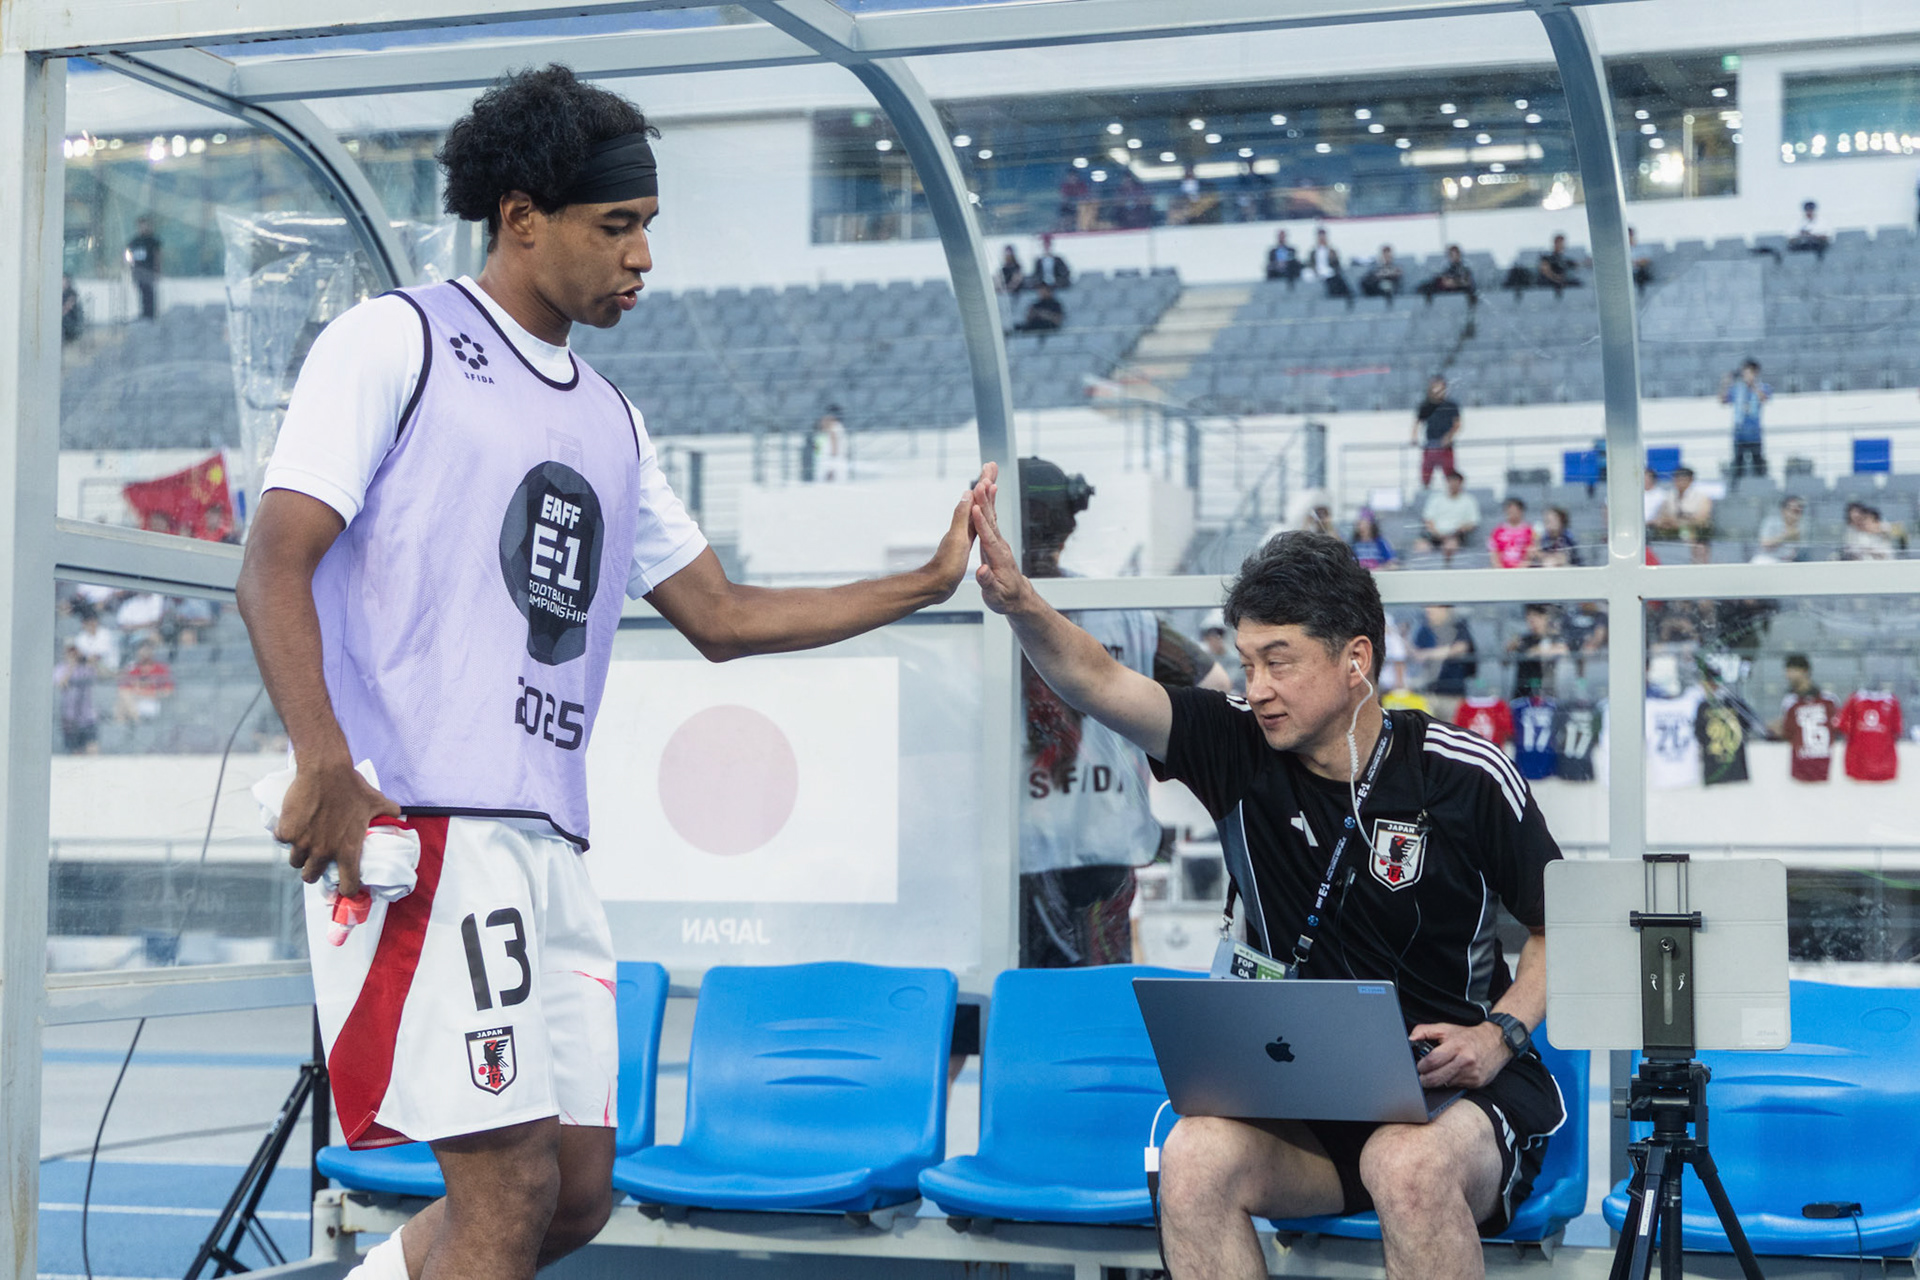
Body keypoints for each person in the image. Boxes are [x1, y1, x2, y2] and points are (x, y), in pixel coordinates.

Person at [233, 65, 991, 1280]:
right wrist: (326, 758)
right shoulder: (398, 339)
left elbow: (723, 613)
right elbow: (274, 557)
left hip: (548, 840)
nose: (642, 257)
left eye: (648, 228)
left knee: (576, 1190)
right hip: (423, 827)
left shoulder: (614, 417)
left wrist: (920, 581)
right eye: (616, 227)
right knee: (508, 1179)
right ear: (522, 217)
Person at [968, 524, 1563, 1280]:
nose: (1257, 687)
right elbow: (1097, 680)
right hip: (1314, 1101)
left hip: (1458, 1100)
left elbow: (1563, 926)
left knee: (1405, 1164)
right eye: (1247, 662)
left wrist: (1500, 1035)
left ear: (1356, 660)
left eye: (1279, 661)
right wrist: (1021, 604)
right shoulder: (1234, 745)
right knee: (1194, 1155)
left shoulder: (1463, 775)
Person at [1017, 457, 1223, 969]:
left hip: (1018, 845)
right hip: (1105, 840)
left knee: (1003, 1007)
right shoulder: (1121, 610)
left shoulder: (984, 611)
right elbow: (1212, 685)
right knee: (1092, 1011)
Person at [1774, 654, 1839, 782]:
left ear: (1803, 671)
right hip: (1801, 765)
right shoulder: (1789, 700)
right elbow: (1787, 729)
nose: (1787, 675)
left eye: (1791, 671)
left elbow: (1836, 726)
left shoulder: (1828, 699)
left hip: (1823, 762)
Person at [1412, 603, 1477, 718]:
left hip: (1452, 694)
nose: (1428, 611)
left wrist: (1431, 654)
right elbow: (1416, 653)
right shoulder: (1425, 629)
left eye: (1432, 608)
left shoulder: (1457, 626)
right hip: (1429, 692)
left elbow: (1461, 647)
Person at [1416, 470, 1480, 566]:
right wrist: (1437, 534)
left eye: (1456, 481)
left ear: (1461, 483)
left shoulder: (1469, 501)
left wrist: (1457, 531)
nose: (1453, 484)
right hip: (1435, 534)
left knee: (1450, 546)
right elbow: (1428, 520)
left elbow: (1472, 523)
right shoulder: (1436, 499)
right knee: (1421, 546)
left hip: (1456, 535)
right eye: (1451, 481)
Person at [1651, 466, 1712, 563]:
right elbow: (1663, 515)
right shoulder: (1669, 496)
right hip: (1670, 531)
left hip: (1693, 531)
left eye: (1684, 479)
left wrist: (1680, 522)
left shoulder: (1701, 497)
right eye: (1678, 479)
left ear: (1691, 480)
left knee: (1698, 540)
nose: (1680, 483)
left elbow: (1701, 518)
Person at [1721, 360, 1770, 480]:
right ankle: (1736, 490)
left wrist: (1753, 385)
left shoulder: (1763, 387)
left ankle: (1761, 486)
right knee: (1738, 464)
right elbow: (1723, 400)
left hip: (1754, 433)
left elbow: (1763, 398)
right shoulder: (1737, 389)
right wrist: (1726, 384)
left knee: (1758, 463)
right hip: (1739, 433)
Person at [1412, 377, 1462, 489]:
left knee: (1449, 472)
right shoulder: (1426, 405)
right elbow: (1417, 422)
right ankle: (1425, 490)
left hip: (1446, 446)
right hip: (1430, 445)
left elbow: (1457, 424)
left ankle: (1452, 492)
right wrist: (1414, 437)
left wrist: (1449, 437)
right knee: (1426, 472)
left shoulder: (1451, 405)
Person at [115, 641, 174, 723]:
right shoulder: (133, 669)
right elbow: (123, 689)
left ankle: (133, 723)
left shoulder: (161, 669)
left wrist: (145, 692)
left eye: (147, 650)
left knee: (123, 702)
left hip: (153, 702)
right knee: (122, 700)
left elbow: (168, 692)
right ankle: (136, 720)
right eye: (142, 651)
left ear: (152, 652)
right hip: (135, 701)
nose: (144, 653)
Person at [55, 644, 99, 753]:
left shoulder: (85, 668)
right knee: (75, 750)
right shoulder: (60, 668)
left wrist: (91, 662)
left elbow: (98, 675)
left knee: (92, 747)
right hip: (70, 716)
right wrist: (71, 667)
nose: (73, 656)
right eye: (71, 653)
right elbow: (62, 684)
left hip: (87, 715)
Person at [125, 215, 161, 320]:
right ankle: (144, 313)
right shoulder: (135, 241)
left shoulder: (152, 241)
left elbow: (157, 256)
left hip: (149, 271)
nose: (143, 228)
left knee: (149, 292)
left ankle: (150, 314)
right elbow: (130, 256)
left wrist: (157, 271)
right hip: (138, 271)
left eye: (145, 225)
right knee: (142, 292)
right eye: (141, 225)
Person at [1751, 494, 1806, 564]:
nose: (1796, 515)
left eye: (1799, 512)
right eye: (1794, 511)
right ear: (1784, 510)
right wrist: (1786, 536)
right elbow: (1765, 544)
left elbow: (1801, 549)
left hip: (1789, 562)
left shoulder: (1802, 525)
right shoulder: (1771, 522)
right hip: (1767, 559)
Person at [1488, 498, 1536, 570]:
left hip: (1523, 570)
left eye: (1515, 511)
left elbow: (1530, 554)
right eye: (1509, 511)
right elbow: (1494, 553)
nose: (1512, 514)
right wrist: (1499, 568)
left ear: (1521, 511)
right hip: (1501, 570)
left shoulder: (1530, 531)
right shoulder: (1497, 531)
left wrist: (1521, 567)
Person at [1308, 227, 1350, 300]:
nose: (1322, 239)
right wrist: (1315, 270)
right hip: (1318, 272)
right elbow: (1311, 263)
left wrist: (1332, 257)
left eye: (1323, 237)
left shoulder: (1332, 251)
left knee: (1338, 279)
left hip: (1329, 271)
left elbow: (1337, 264)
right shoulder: (1313, 252)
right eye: (1320, 237)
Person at [810, 405, 847, 482]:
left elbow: (835, 448)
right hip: (821, 461)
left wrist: (831, 468)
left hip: (831, 461)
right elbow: (817, 447)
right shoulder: (821, 431)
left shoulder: (835, 428)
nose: (824, 419)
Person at [61, 272, 85, 343]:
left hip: (71, 324)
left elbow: (66, 309)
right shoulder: (60, 293)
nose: (62, 282)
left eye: (63, 280)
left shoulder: (71, 293)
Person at [1629, 227, 1653, 292]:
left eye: (1631, 235)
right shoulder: (1622, 249)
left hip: (1639, 273)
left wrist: (1634, 262)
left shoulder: (1640, 247)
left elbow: (1647, 260)